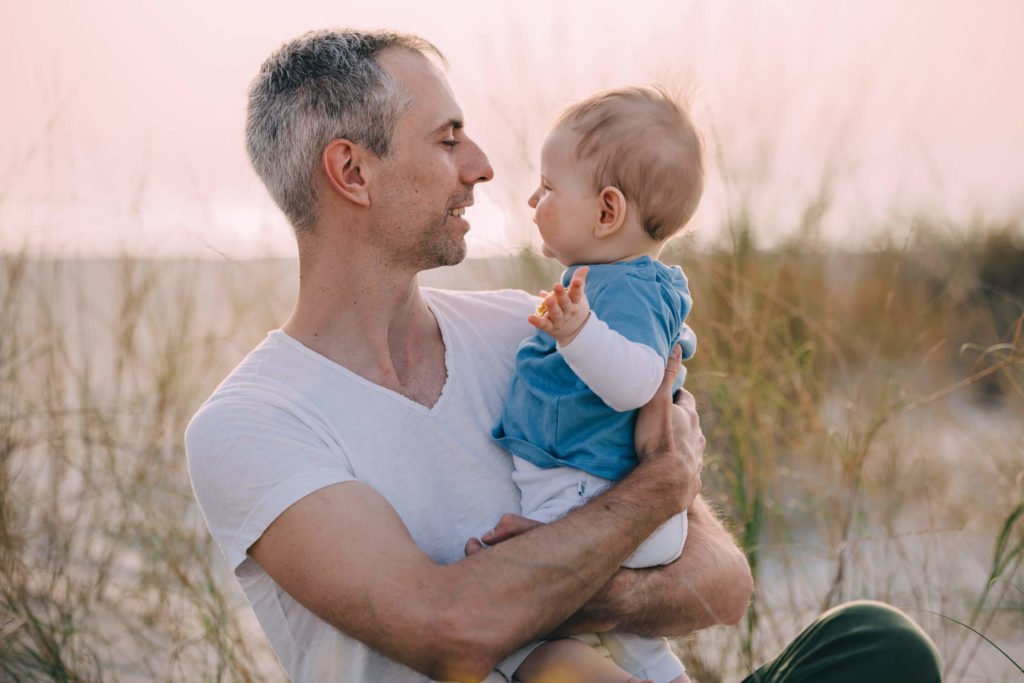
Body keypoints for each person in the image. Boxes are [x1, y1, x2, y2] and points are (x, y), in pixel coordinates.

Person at [184, 28, 942, 683]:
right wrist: (659, 487)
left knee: (875, 641)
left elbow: (722, 582)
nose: (481, 166)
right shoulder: (253, 424)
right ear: (353, 172)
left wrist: (560, 582)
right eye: (448, 139)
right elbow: (453, 629)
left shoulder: (540, 331)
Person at [491, 87, 704, 683]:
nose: (533, 198)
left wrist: (577, 331)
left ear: (608, 212)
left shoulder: (629, 289)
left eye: (549, 187)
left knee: (536, 634)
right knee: (637, 650)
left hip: (593, 494)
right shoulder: (608, 281)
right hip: (595, 493)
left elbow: (638, 382)